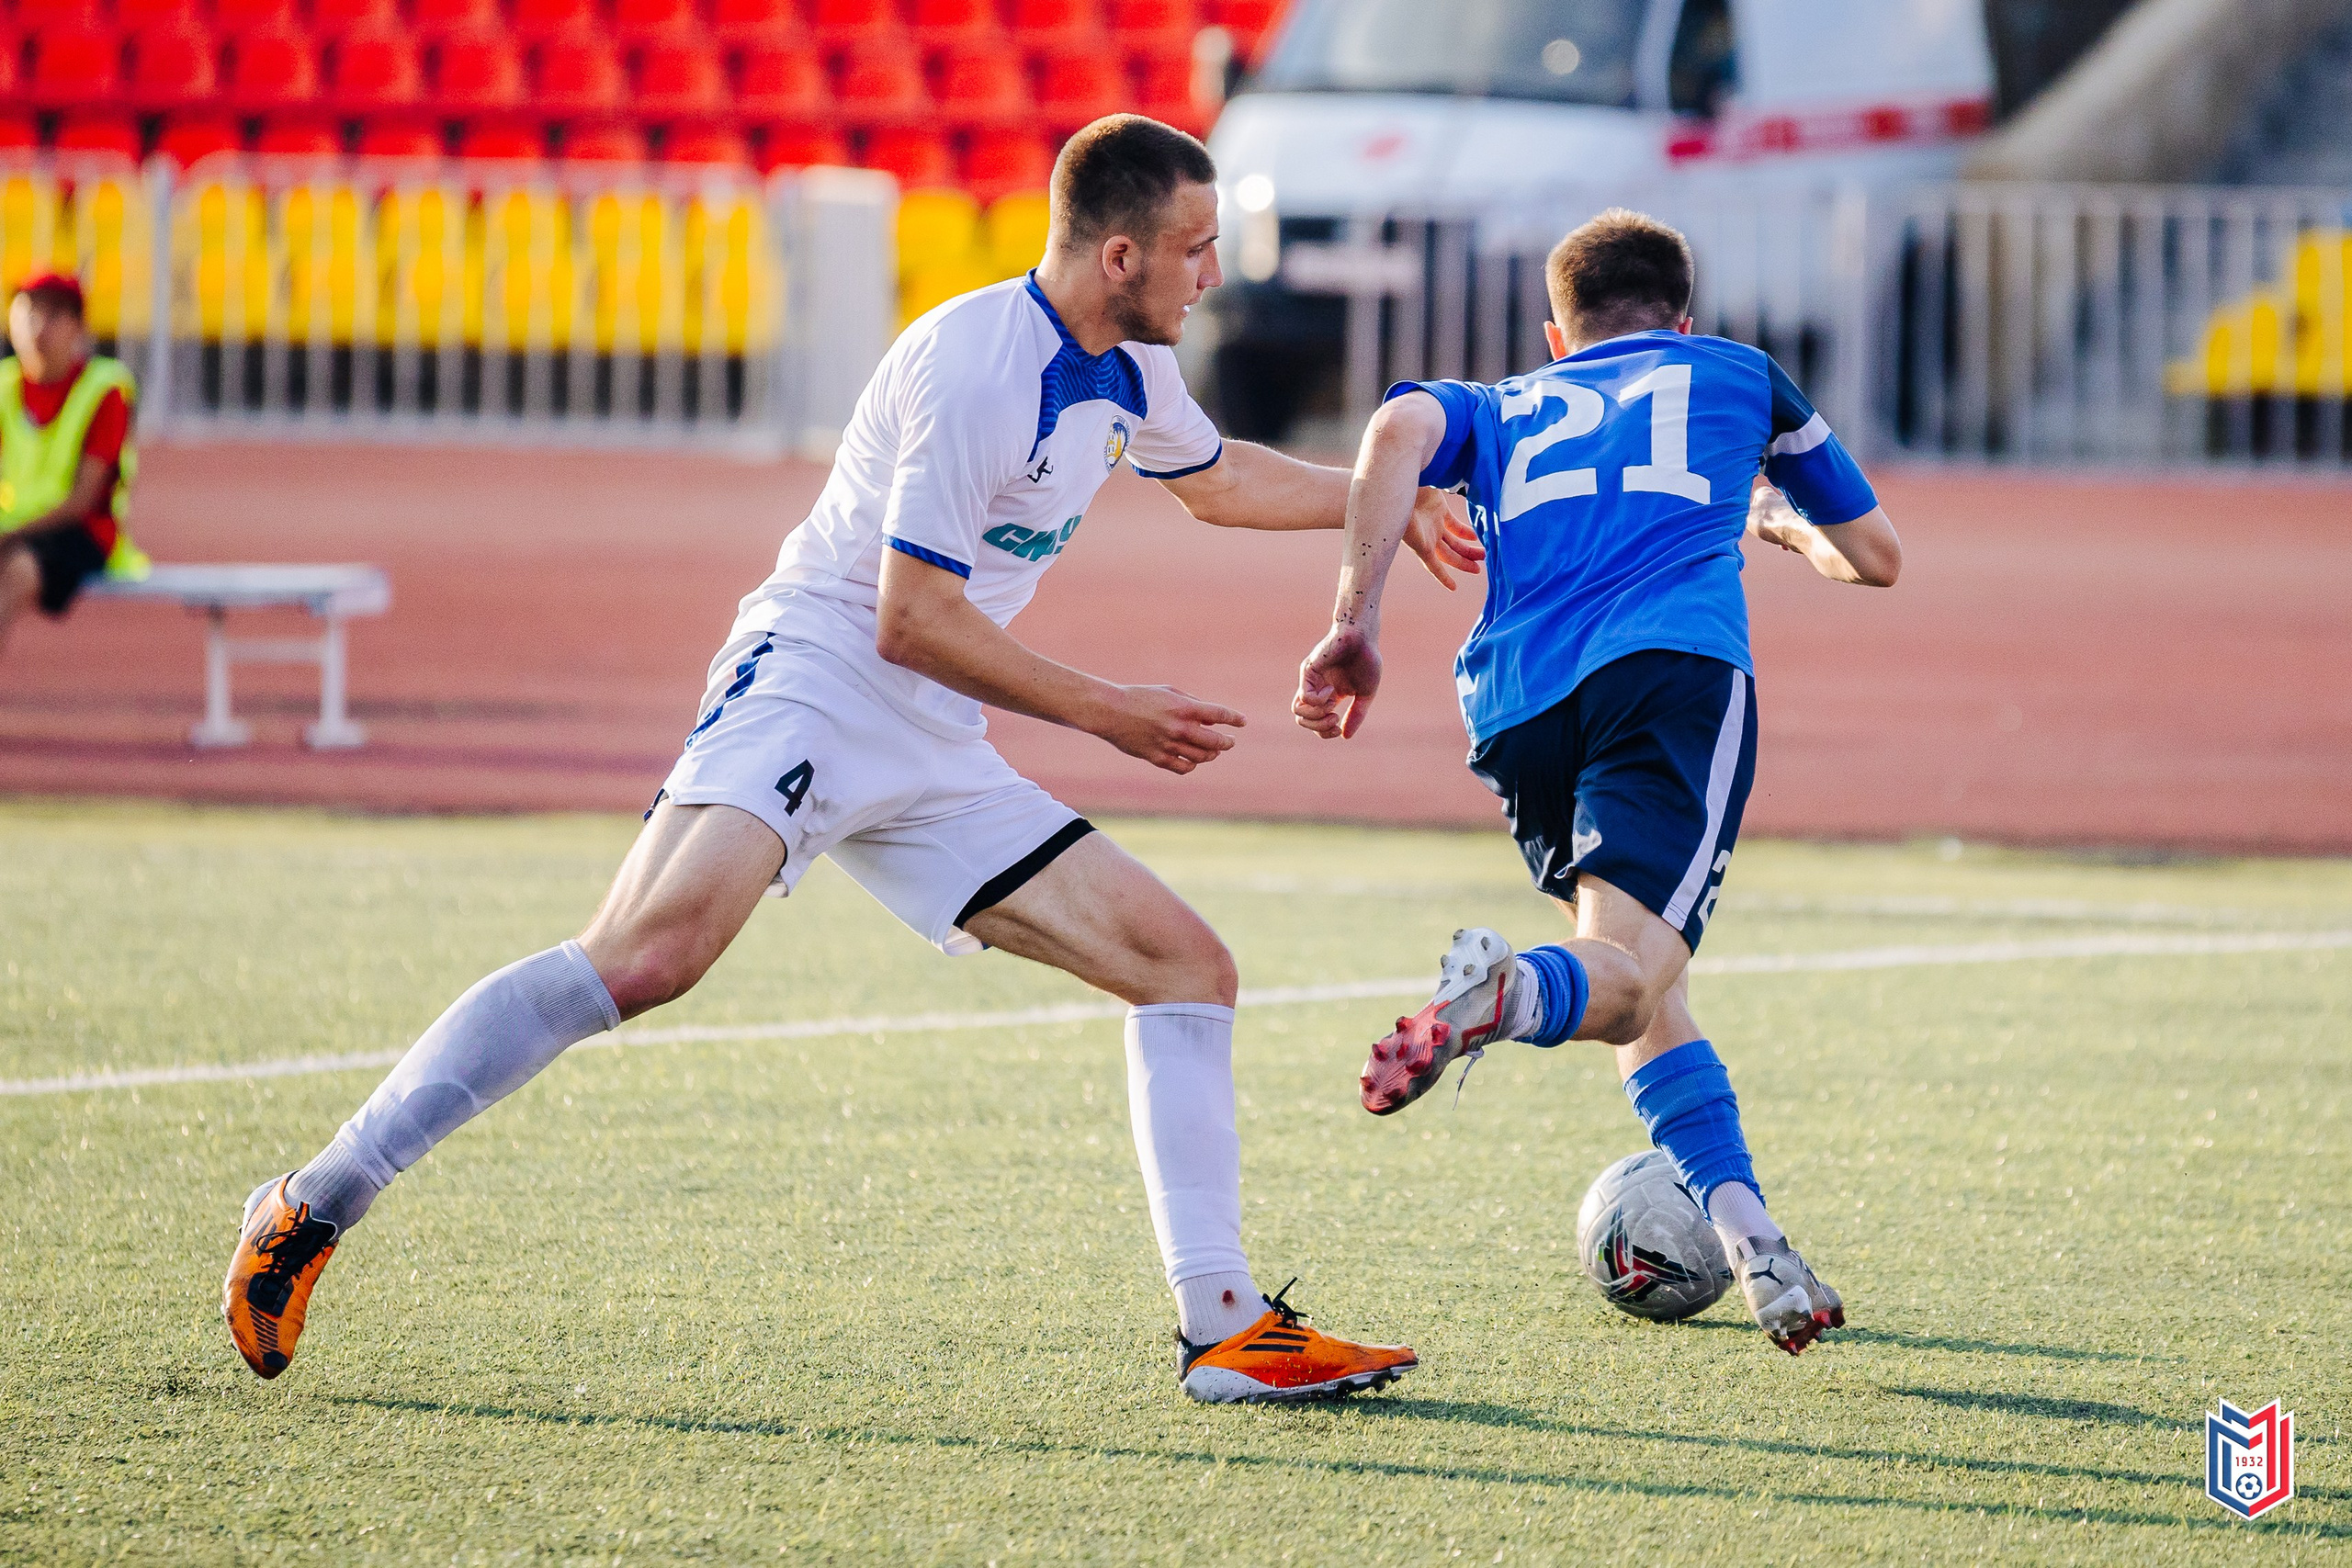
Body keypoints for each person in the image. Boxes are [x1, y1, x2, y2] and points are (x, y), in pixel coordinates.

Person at [222, 116, 1482, 1404]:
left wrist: (1384, 500)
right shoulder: (974, 365)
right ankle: (315, 1199)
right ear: (1120, 256)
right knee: (645, 957)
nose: (1211, 273)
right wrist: (1109, 712)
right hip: (815, 683)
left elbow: (1216, 482)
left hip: (931, 726)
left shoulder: (1132, 365)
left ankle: (1223, 1329)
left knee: (1185, 967)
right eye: (1194, 248)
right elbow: (908, 618)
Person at [1292, 208, 1903, 1355]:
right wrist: (1777, 527)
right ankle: (1507, 995)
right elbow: (1875, 557)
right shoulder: (1739, 373)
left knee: (1637, 981)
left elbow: (1393, 428)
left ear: (1556, 337)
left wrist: (1354, 622)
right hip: (1668, 671)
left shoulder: (1503, 401)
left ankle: (1753, 1243)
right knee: (1617, 982)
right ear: (1683, 321)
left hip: (1517, 709)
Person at [0, 272, 147, 661]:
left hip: (83, 531)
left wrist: (8, 533)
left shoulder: (104, 388)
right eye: (29, 312)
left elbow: (83, 498)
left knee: (18, 571)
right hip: (15, 528)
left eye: (53, 315)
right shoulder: (4, 385)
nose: (38, 327)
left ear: (78, 327)